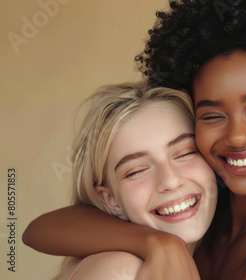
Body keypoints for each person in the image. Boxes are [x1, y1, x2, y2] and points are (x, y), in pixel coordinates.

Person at [23, 1, 246, 279]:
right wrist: (158, 243)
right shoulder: (203, 207)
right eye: (212, 116)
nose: (238, 136)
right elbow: (38, 230)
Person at [46, 83, 218, 279]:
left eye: (185, 153)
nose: (170, 180)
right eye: (137, 171)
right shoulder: (123, 271)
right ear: (110, 200)